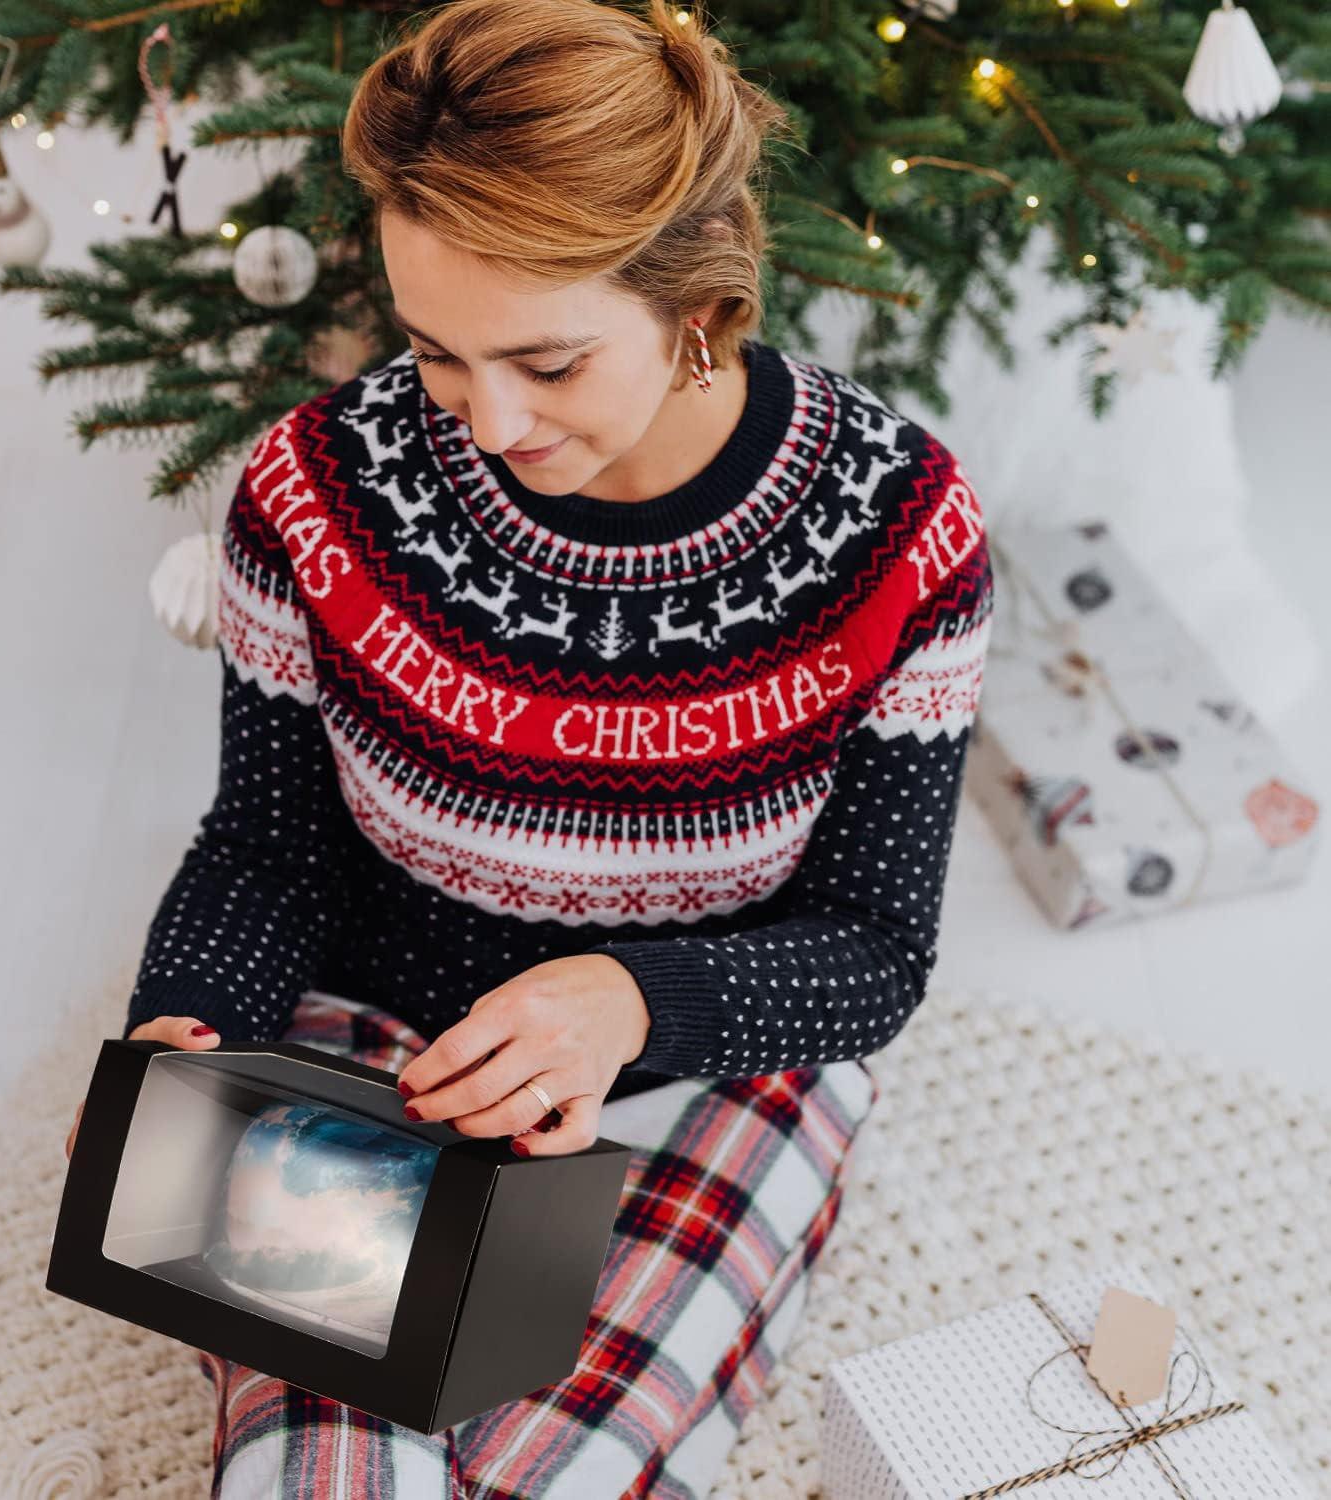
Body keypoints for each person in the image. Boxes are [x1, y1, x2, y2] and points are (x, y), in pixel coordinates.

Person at [72, 0, 995, 1490]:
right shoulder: (316, 492)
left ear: (699, 304)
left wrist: (633, 1002)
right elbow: (265, 850)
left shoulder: (900, 530)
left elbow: (876, 949)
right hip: (376, 1039)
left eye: (550, 363)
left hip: (717, 1054)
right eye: (436, 348)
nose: (487, 419)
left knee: (563, 1473)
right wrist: (185, 1023)